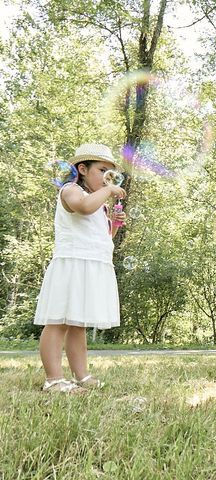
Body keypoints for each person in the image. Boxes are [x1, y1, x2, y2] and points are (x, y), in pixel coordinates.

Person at [34, 143, 127, 393]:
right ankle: (53, 379)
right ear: (83, 169)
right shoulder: (70, 190)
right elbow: (83, 208)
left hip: (92, 264)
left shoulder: (100, 202)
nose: (108, 178)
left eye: (111, 173)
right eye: (102, 171)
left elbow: (103, 237)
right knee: (59, 322)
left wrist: (114, 224)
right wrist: (109, 190)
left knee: (78, 323)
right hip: (72, 264)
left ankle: (81, 375)